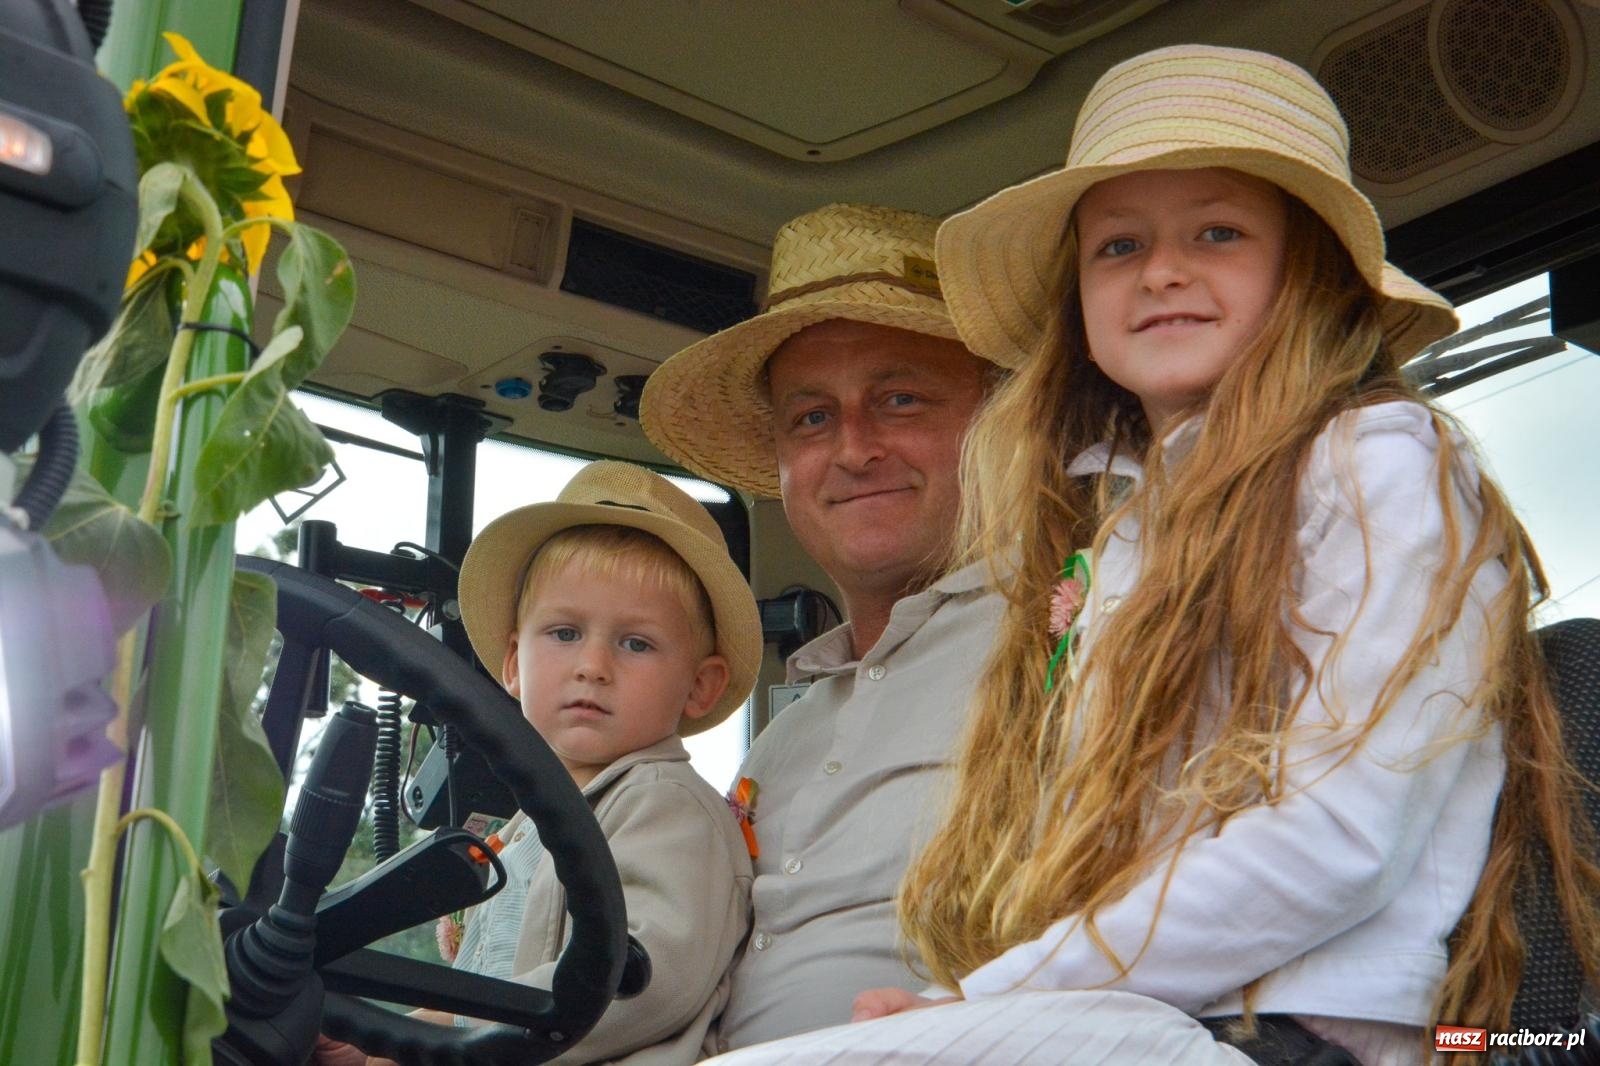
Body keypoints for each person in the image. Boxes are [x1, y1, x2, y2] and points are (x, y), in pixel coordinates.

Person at [707, 45, 1600, 1066]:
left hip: (1301, 1022)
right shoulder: (1127, 532)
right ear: (1081, 302)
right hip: (1155, 1011)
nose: (1163, 270)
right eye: (1119, 247)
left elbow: (1341, 839)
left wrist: (998, 993)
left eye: (1216, 232)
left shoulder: (1378, 465)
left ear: (1302, 266)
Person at [638, 203, 1010, 1051]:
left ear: (1000, 426)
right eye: (811, 418)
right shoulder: (780, 743)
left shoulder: (1071, 641)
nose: (852, 448)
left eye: (901, 399)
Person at [317, 461, 762, 1065]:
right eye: (563, 633)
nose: (593, 666)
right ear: (512, 664)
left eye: (637, 643)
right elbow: (475, 991)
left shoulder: (667, 807)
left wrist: (441, 1051)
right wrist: (375, 1047)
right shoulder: (528, 828)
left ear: (700, 686)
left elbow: (639, 984)